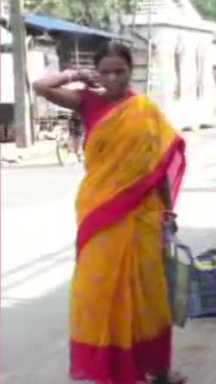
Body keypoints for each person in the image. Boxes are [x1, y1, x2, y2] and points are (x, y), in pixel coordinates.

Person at [32, 42, 187, 384]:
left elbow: (159, 166)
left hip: (144, 214)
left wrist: (169, 211)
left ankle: (158, 370)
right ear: (96, 73)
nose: (113, 78)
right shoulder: (87, 101)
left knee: (149, 295)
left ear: (131, 71)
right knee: (99, 292)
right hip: (99, 212)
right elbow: (41, 86)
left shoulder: (145, 110)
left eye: (120, 71)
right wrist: (76, 75)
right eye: (105, 71)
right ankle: (114, 370)